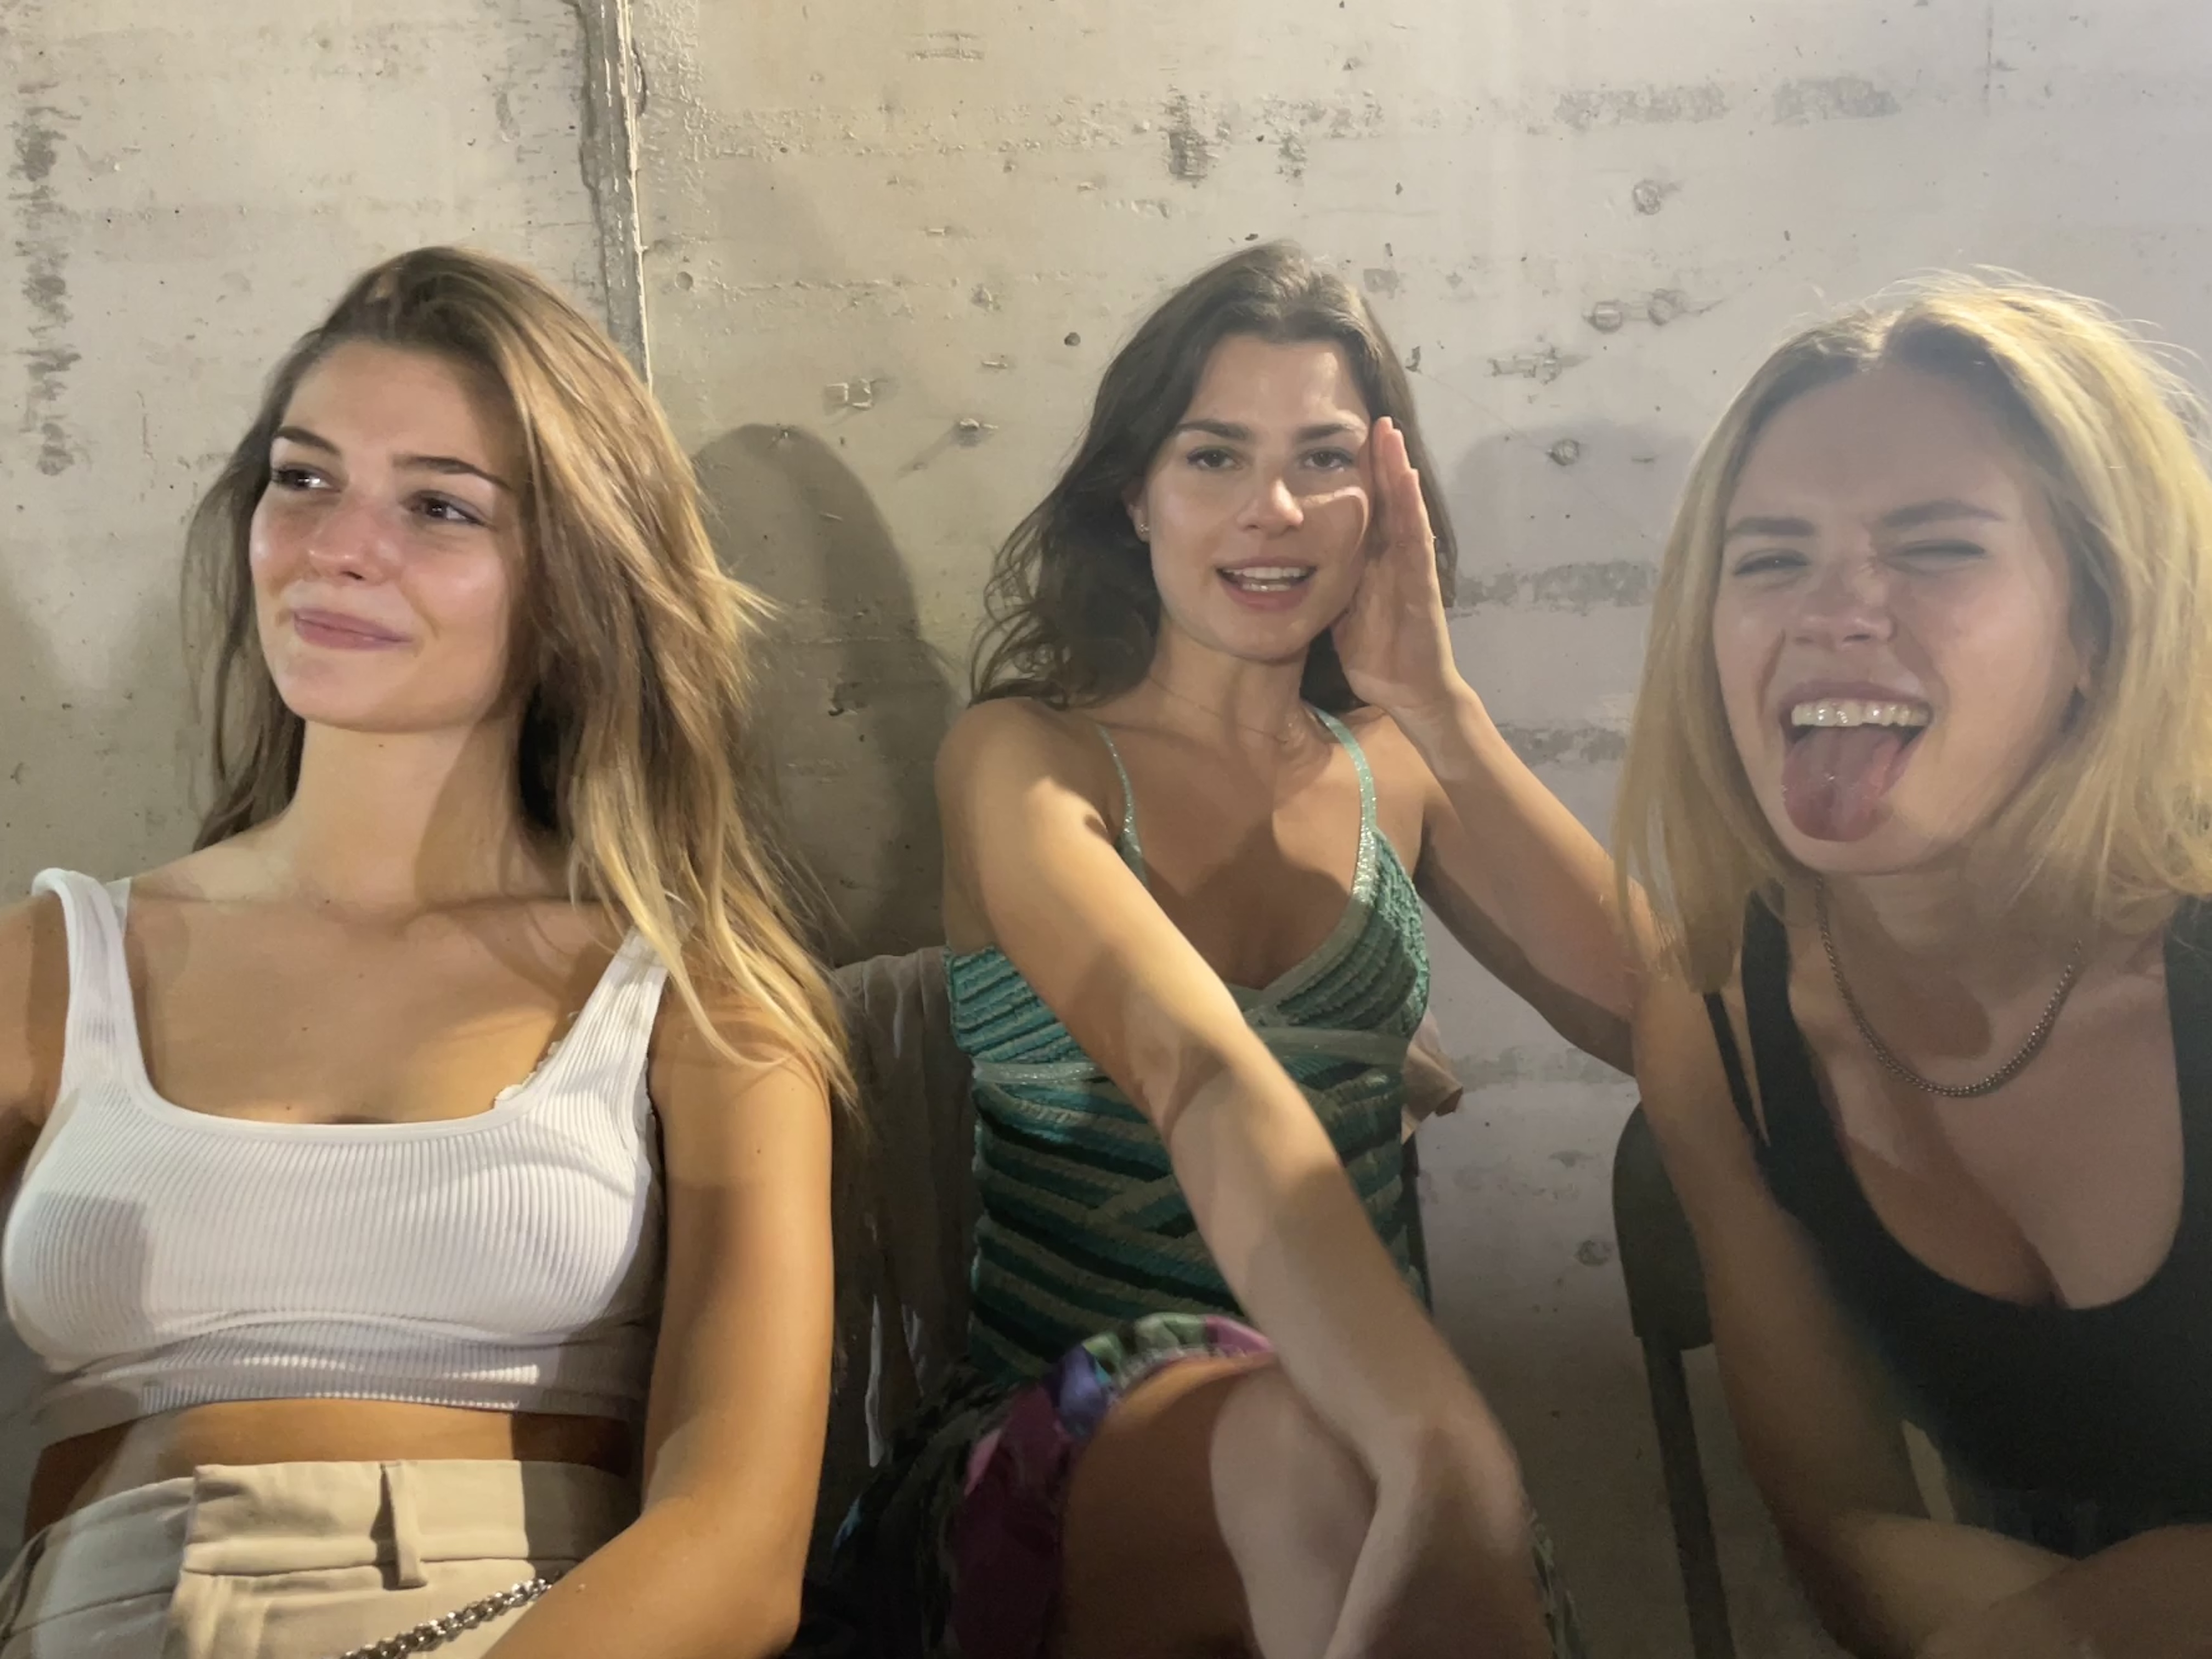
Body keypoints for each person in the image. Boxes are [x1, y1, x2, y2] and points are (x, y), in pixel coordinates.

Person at [0, 247, 844, 1657]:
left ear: (573, 582)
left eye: (440, 506)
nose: (336, 546)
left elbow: (741, 1553)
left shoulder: (699, 1001)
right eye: (303, 477)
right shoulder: (53, 963)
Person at [820, 241, 1637, 1659]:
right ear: (1132, 495)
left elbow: (1680, 1026)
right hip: (1062, 1453)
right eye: (1215, 457)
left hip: (1362, 1444)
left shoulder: (1400, 768)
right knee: (1309, 1467)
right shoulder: (1024, 757)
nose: (1276, 509)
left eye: (1325, 459)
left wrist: (1440, 707)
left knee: (1338, 1481)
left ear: (1385, 502)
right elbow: (1192, 1067)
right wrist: (1440, 1441)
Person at [1619, 275, 2212, 1658]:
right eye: (1771, 559)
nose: (1838, 611)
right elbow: (1843, 1532)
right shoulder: (1717, 1024)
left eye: (1937, 547)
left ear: (2098, 628)